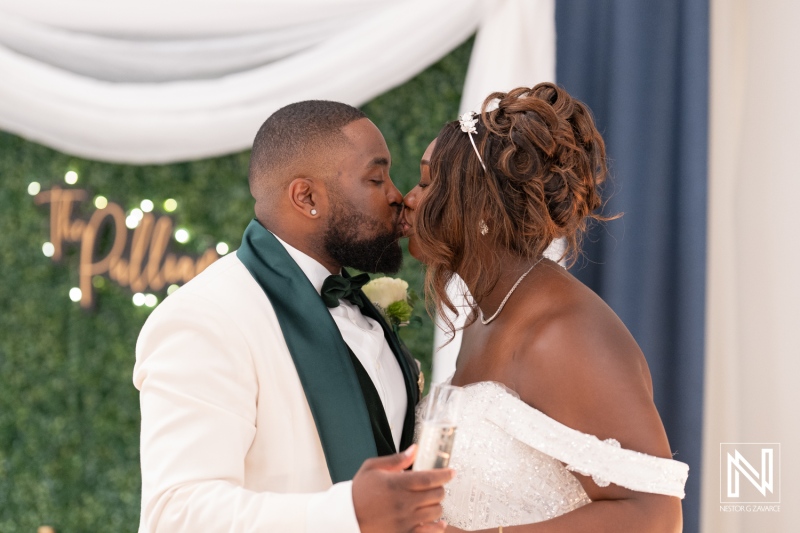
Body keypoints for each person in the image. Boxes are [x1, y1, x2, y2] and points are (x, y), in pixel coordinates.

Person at [133, 100, 452, 533]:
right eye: (376, 178)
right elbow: (175, 515)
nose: (397, 195)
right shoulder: (206, 317)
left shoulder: (363, 310)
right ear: (306, 197)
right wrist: (348, 515)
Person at [400, 83, 688, 532]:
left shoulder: (563, 333)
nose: (409, 199)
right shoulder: (484, 316)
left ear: (482, 209)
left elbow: (654, 514)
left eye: (426, 182)